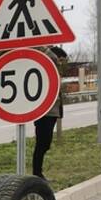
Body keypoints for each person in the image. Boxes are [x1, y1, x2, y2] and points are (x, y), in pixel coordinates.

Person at [31, 46, 68, 180]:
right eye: (61, 60)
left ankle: (38, 172)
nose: (60, 63)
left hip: (51, 112)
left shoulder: (52, 69)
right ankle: (37, 173)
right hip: (45, 112)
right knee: (42, 143)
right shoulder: (48, 65)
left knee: (45, 144)